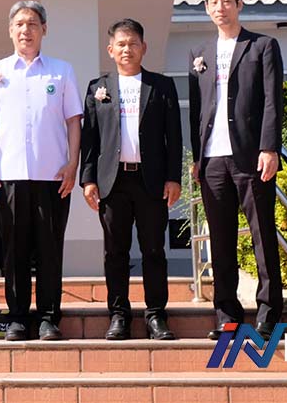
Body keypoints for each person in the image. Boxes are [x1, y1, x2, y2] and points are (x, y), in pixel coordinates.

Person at [0, 0, 82, 342]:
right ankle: (18, 317)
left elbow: (73, 121)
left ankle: (49, 317)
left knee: (50, 249)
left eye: (33, 24)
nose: (26, 30)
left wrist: (73, 163)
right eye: (19, 24)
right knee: (14, 250)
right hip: (8, 177)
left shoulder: (61, 71)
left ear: (44, 29)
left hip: (53, 177)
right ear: (10, 30)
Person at [189, 0, 284, 339]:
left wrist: (269, 147)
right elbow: (197, 109)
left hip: (250, 157)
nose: (221, 7)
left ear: (239, 4)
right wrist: (197, 157)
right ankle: (227, 317)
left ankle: (269, 312)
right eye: (214, 2)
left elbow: (273, 101)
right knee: (221, 241)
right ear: (206, 8)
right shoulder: (199, 52)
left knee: (262, 235)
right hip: (212, 160)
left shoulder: (262, 46)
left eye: (227, 1)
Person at [80, 18, 182, 341]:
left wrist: (173, 177)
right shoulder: (98, 88)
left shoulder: (161, 86)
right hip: (113, 183)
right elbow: (90, 138)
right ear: (110, 50)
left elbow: (174, 136)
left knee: (154, 250)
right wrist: (88, 179)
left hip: (151, 182)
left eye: (133, 43)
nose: (127, 49)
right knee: (115, 252)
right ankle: (119, 315)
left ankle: (156, 315)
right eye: (121, 44)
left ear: (144, 48)